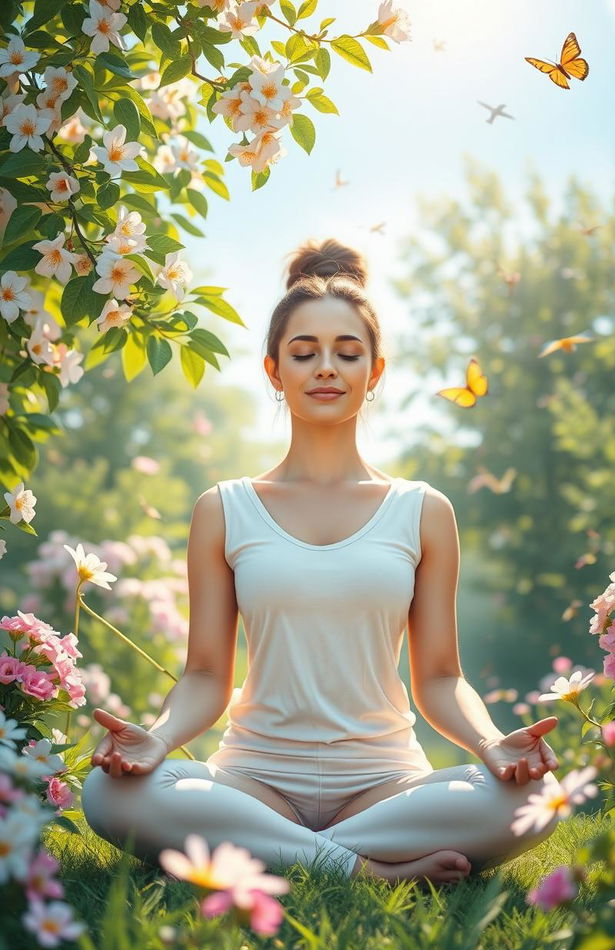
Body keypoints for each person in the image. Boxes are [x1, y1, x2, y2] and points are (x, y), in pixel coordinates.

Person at [81, 237, 563, 888]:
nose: (326, 369)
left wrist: (490, 745)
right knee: (108, 794)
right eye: (304, 354)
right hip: (251, 779)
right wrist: (159, 741)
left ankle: (267, 855)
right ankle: (359, 868)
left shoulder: (424, 511)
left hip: (386, 783)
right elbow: (204, 674)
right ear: (274, 371)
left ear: (376, 370)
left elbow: (442, 678)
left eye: (347, 352)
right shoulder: (224, 509)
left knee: (537, 799)